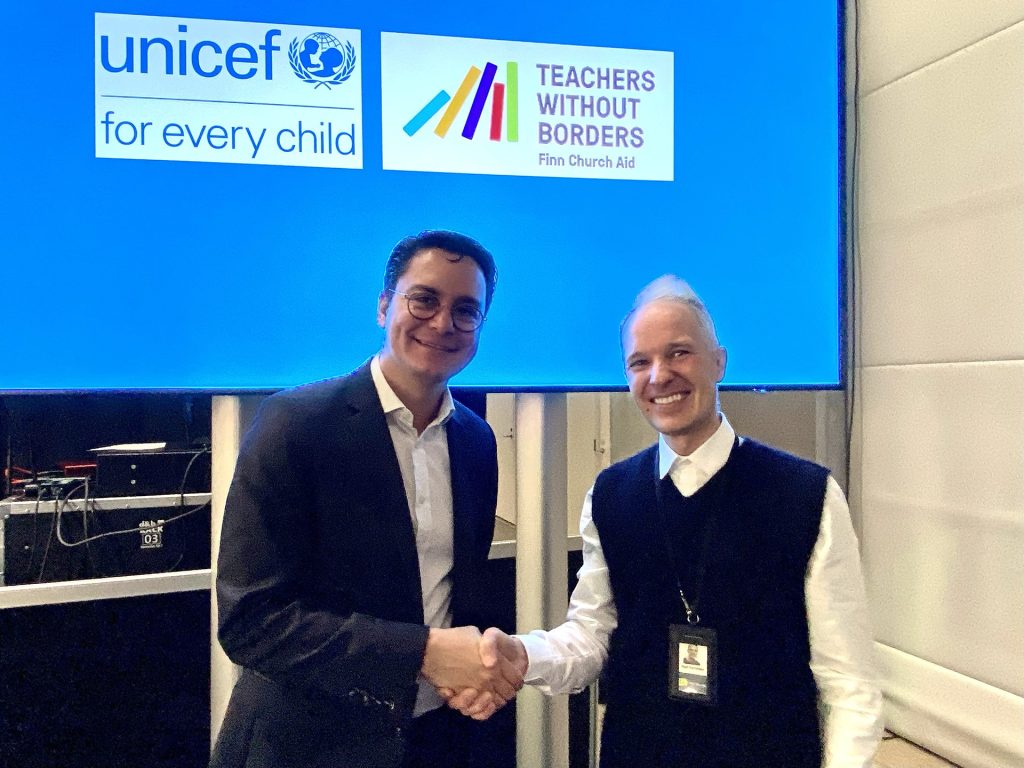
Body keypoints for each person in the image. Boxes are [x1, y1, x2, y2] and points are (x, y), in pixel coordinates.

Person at [451, 276, 883, 767]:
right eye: (640, 362)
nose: (659, 376)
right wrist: (525, 656)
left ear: (719, 361)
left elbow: (850, 687)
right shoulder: (611, 494)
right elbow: (592, 636)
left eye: (679, 353)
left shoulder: (806, 494)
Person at [210, 230, 522, 768]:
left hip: (436, 743)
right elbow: (251, 622)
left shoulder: (476, 442)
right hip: (306, 748)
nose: (443, 323)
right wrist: (422, 651)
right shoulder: (295, 426)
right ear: (384, 306)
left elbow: (455, 598)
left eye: (466, 311)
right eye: (423, 299)